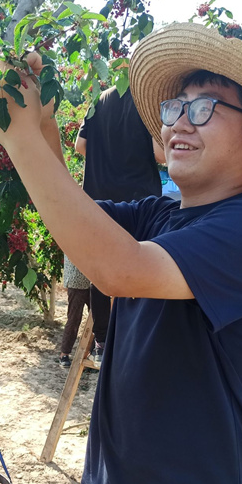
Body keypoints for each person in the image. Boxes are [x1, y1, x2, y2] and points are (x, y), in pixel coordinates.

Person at [0, 22, 242, 484]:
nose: (180, 123)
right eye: (175, 107)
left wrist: (18, 140)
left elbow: (118, 269)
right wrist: (44, 126)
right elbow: (79, 223)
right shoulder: (161, 213)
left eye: (204, 107)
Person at [75, 86, 165, 366]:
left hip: (99, 200)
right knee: (139, 273)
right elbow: (160, 154)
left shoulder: (97, 100)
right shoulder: (148, 102)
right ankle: (132, 342)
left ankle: (102, 340)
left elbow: (80, 146)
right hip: (138, 202)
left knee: (100, 270)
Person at [57, 254, 91, 367]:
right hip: (77, 280)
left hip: (94, 281)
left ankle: (92, 353)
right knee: (74, 319)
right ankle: (64, 354)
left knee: (98, 319)